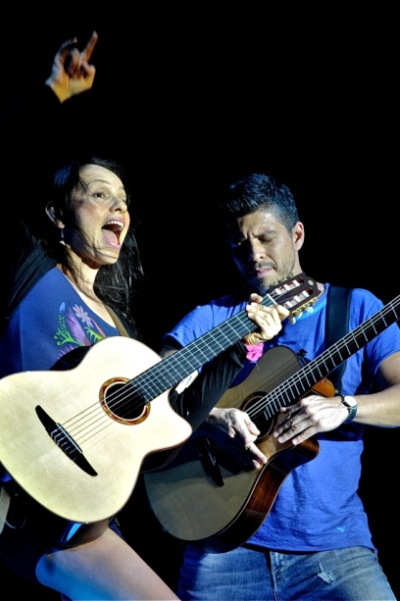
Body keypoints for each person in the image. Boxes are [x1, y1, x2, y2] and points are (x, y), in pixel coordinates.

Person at [0, 36, 289, 600]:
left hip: (80, 519)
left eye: (124, 200)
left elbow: (176, 422)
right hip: (12, 478)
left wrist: (240, 344)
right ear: (59, 217)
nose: (118, 209)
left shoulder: (121, 336)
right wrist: (54, 92)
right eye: (100, 195)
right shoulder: (30, 272)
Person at [157, 172, 400, 600]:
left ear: (298, 234)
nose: (253, 254)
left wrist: (346, 406)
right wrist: (213, 419)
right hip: (222, 546)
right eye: (239, 245)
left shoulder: (357, 307)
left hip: (335, 546)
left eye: (266, 238)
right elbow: (155, 393)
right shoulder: (213, 316)